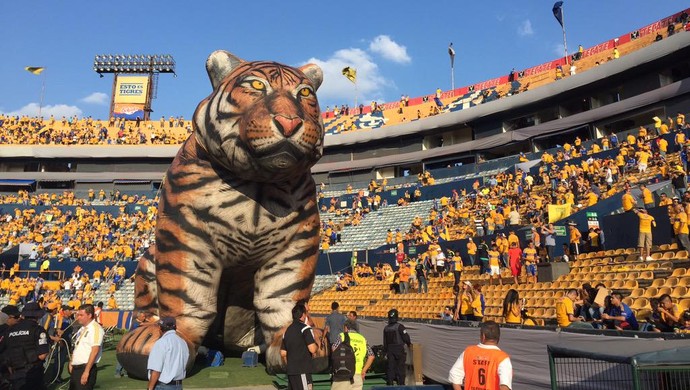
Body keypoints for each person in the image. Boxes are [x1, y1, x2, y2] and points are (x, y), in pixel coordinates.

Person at [448, 321, 512, 390]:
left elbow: (454, 374)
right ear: (498, 338)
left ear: (483, 336)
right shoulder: (502, 358)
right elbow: (504, 386)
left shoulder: (468, 352)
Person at [0, 302, 50, 390]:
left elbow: (4, 351)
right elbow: (42, 355)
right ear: (38, 315)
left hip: (14, 373)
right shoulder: (38, 330)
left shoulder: (10, 330)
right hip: (33, 372)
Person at [330, 319, 375, 390]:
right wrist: (363, 371)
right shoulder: (363, 339)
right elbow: (371, 356)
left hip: (344, 373)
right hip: (358, 375)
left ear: (346, 328)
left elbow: (334, 349)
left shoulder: (342, 336)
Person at [281, 303, 317, 390]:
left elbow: (283, 353)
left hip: (291, 371)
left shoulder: (286, 331)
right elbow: (312, 349)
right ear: (303, 315)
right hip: (302, 370)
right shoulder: (305, 329)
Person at [147, 317, 189, 390]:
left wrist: (150, 388)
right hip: (178, 385)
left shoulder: (162, 342)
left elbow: (156, 370)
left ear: (160, 328)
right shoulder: (183, 342)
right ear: (175, 327)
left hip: (163, 386)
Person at [69, 304, 103, 390]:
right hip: (76, 369)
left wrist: (86, 371)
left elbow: (95, 350)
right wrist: (71, 361)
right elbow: (77, 347)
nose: (78, 317)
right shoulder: (82, 329)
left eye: (81, 315)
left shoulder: (95, 329)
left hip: (85, 368)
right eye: (78, 315)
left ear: (89, 315)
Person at [383, 309, 411, 386]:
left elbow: (385, 342)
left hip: (390, 349)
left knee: (390, 367)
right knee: (400, 367)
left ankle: (390, 382)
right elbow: (406, 338)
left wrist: (385, 351)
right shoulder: (400, 327)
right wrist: (409, 344)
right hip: (399, 349)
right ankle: (401, 383)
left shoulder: (386, 328)